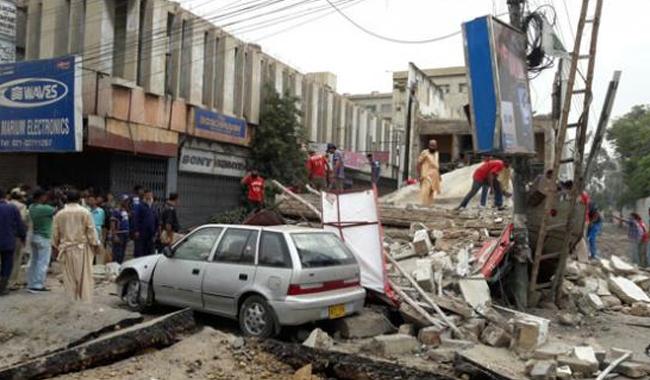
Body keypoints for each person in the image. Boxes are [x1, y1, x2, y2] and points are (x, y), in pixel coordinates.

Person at [51, 190, 99, 302]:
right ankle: (85, 303)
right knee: (84, 278)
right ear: (79, 199)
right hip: (82, 249)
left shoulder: (60, 214)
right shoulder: (85, 212)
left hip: (66, 249)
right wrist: (95, 245)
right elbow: (91, 230)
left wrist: (54, 248)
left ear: (66, 199)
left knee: (69, 279)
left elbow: (54, 233)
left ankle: (71, 303)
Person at [26, 189, 56, 293]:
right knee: (42, 262)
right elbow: (57, 210)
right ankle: (38, 285)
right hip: (44, 237)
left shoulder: (31, 207)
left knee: (33, 261)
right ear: (41, 197)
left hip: (34, 235)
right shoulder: (46, 209)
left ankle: (31, 283)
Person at [0, 188, 26, 295]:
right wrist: (23, 237)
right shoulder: (12, 208)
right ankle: (2, 287)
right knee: (7, 264)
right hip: (8, 241)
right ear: (5, 196)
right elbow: (20, 225)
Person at [8, 188, 30, 289]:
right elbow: (22, 222)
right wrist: (23, 236)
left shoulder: (5, 204)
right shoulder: (21, 207)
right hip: (15, 236)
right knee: (16, 259)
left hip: (4, 235)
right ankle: (12, 282)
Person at [416, 139, 442, 207]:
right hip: (426, 174)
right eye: (431, 145)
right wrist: (419, 175)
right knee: (425, 190)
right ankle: (423, 205)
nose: (432, 147)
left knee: (432, 191)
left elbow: (436, 165)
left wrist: (439, 175)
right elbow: (419, 163)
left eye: (434, 145)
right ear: (428, 145)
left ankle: (429, 206)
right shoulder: (425, 152)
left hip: (435, 175)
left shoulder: (436, 154)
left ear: (436, 146)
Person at [133, 190, 158, 257]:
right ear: (145, 195)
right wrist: (136, 230)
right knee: (140, 251)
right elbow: (136, 218)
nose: (149, 196)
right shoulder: (140, 206)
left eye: (151, 195)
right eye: (148, 195)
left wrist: (156, 231)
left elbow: (156, 219)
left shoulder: (153, 206)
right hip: (142, 232)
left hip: (151, 233)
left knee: (149, 251)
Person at [110, 195, 131, 264]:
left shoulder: (126, 210)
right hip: (119, 234)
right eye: (125, 201)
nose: (127, 202)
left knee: (122, 254)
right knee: (117, 254)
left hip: (125, 234)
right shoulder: (116, 211)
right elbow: (113, 223)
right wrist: (114, 235)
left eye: (127, 201)